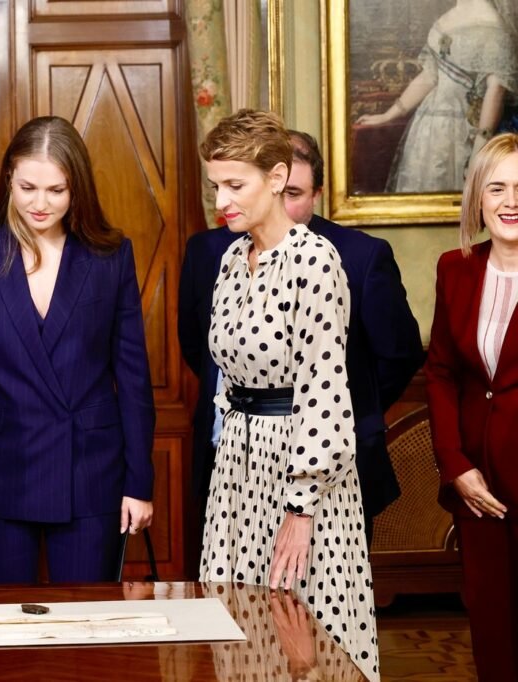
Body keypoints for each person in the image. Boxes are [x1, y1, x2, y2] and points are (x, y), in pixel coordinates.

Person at [198, 109, 379, 680]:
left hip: (299, 476)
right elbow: (227, 380)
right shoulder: (230, 259)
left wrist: (301, 507)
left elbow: (325, 390)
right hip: (237, 470)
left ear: (277, 178)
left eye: (235, 185)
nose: (222, 200)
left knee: (301, 634)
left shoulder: (315, 261)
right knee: (238, 623)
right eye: (215, 186)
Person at [0, 115, 155, 584]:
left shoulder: (111, 255)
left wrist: (139, 484)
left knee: (89, 632)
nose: (40, 203)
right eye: (27, 187)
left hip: (89, 471)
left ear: (77, 189)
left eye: (56, 190)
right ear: (8, 179)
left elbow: (133, 377)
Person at [178, 130, 424, 546]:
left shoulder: (341, 256)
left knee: (301, 602)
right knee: (236, 599)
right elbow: (198, 346)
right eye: (217, 187)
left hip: (319, 463)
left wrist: (340, 401)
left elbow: (398, 355)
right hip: (232, 457)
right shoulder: (222, 256)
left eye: (295, 192)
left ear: (313, 193)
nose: (223, 201)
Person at [426, 132, 518, 681]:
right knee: (490, 624)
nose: (511, 201)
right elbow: (440, 370)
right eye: (498, 187)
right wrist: (454, 463)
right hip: (477, 484)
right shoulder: (454, 267)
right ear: (478, 199)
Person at [356, 0, 518, 193]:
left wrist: (479, 151)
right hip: (428, 128)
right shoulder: (450, 16)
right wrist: (388, 115)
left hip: (462, 131)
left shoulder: (492, 25)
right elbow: (430, 75)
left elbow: (496, 90)